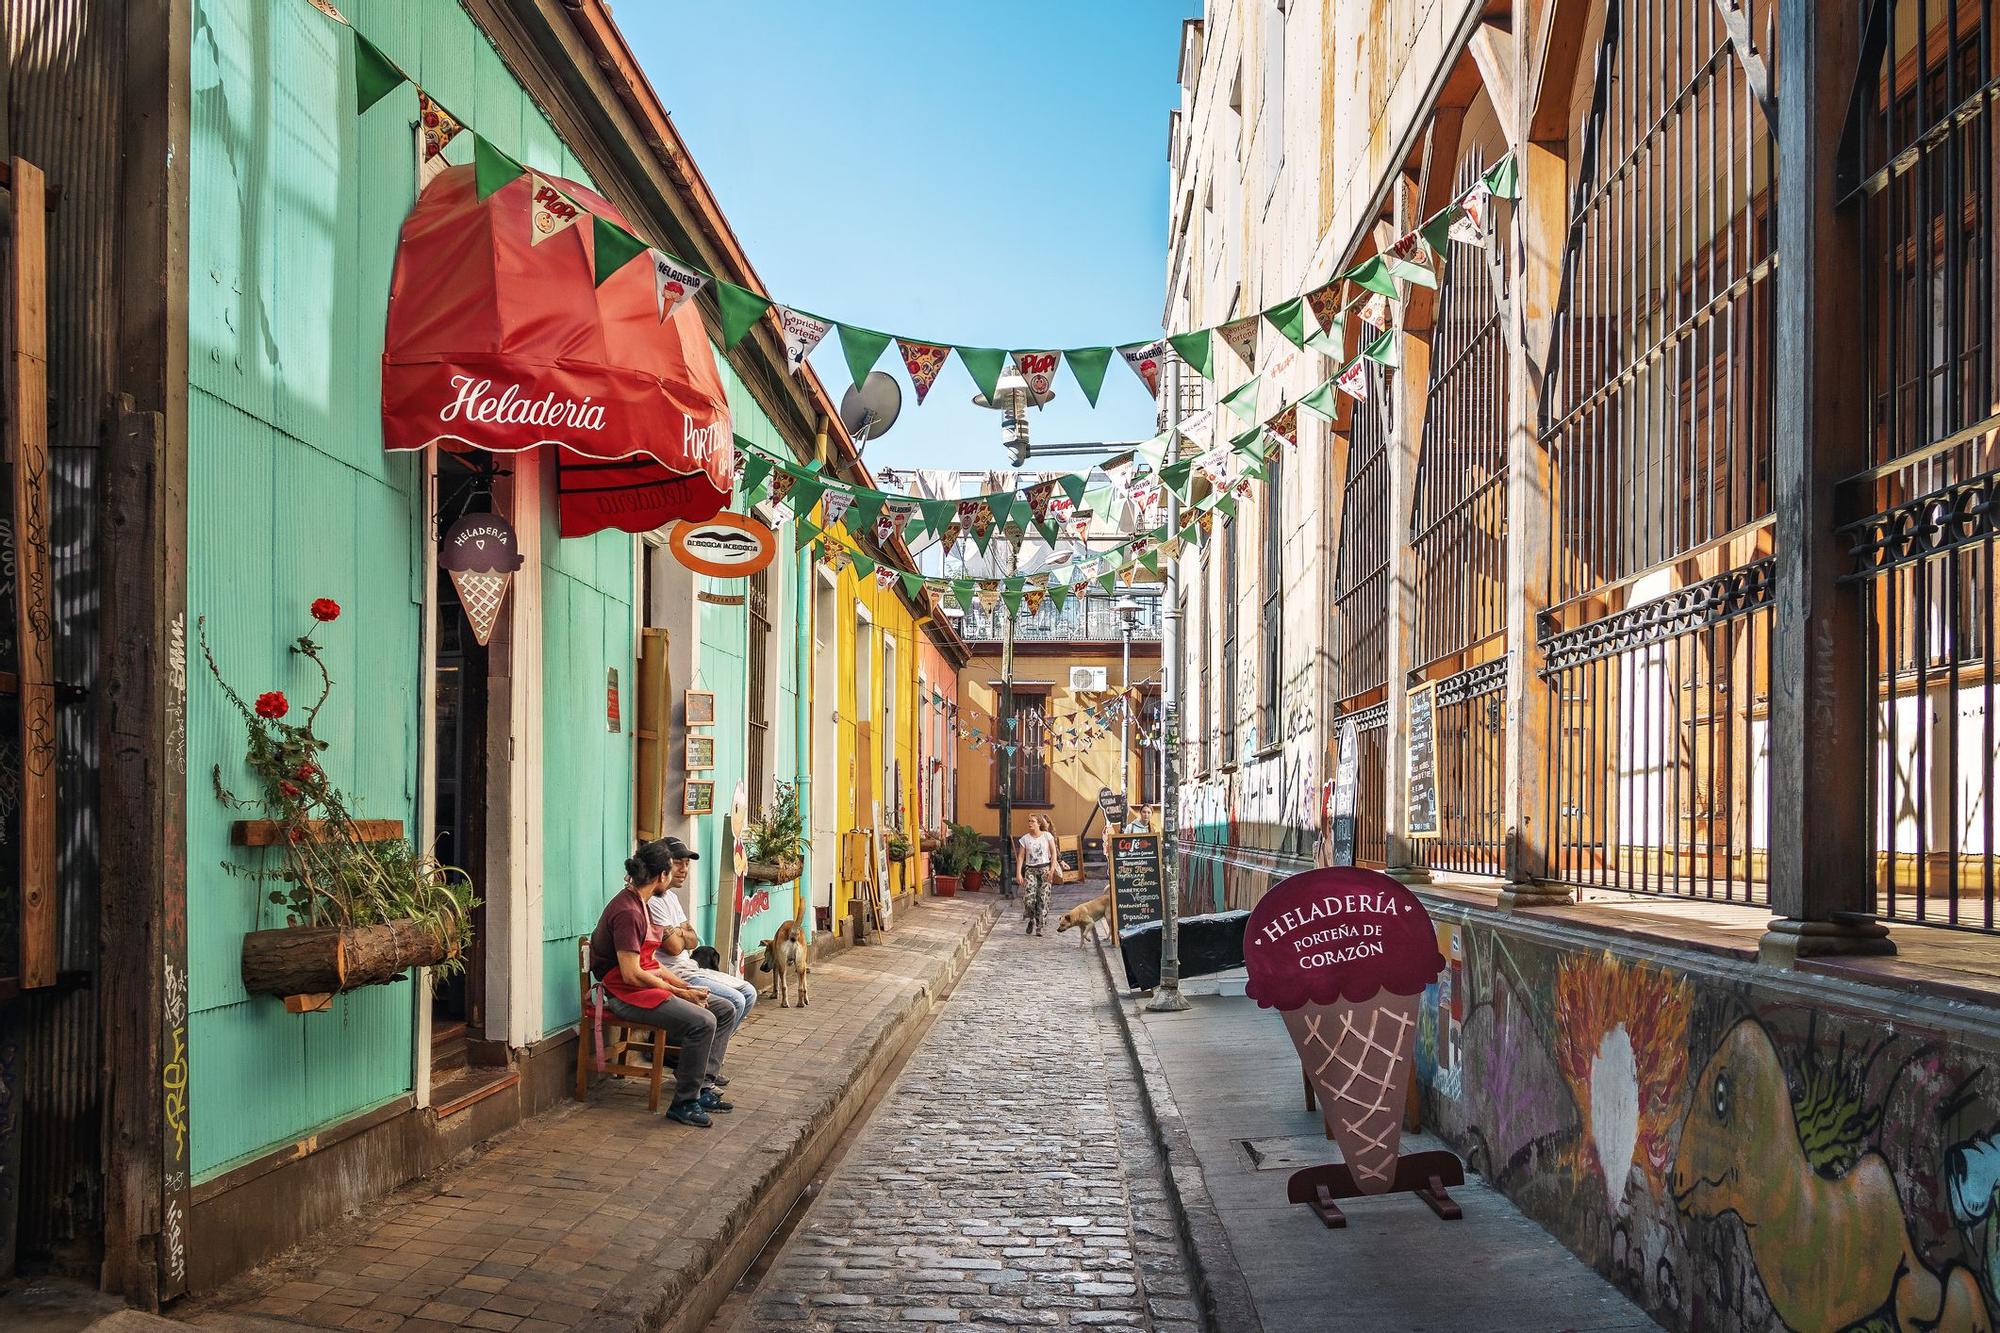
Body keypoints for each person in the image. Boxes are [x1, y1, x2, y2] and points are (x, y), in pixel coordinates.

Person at [587, 839, 740, 1128]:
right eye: (672, 870)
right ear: (661, 876)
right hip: (626, 994)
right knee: (703, 1021)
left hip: (644, 986)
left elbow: (652, 963)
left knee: (724, 1009)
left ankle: (702, 1087)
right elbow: (632, 974)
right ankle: (684, 1103)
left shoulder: (641, 903)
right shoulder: (628, 912)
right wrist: (678, 991)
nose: (675, 875)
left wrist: (684, 990)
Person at [644, 846, 758, 1030]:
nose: (684, 870)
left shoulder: (671, 897)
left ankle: (711, 1050)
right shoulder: (652, 900)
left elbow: (693, 939)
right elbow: (673, 947)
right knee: (735, 1001)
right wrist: (680, 933)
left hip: (690, 968)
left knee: (749, 992)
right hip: (675, 973)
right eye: (678, 863)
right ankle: (703, 1052)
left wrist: (678, 932)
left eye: (687, 864)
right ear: (661, 869)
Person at [1015, 814, 1059, 936]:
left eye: (1033, 821)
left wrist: (1052, 870)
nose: (1030, 823)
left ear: (1039, 823)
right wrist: (1018, 873)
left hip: (1044, 869)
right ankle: (1031, 919)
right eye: (1029, 821)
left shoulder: (1047, 836)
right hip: (1030, 871)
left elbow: (1054, 854)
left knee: (1043, 898)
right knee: (1029, 899)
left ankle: (1040, 925)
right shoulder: (1025, 839)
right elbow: (1021, 857)